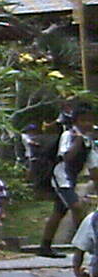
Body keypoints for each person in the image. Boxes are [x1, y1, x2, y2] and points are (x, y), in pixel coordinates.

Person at [37, 105, 92, 256]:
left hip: (71, 179)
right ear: (75, 121)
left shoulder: (88, 141)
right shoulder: (69, 135)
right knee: (77, 207)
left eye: (89, 120)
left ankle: (45, 246)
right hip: (61, 176)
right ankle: (84, 244)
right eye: (83, 120)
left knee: (59, 212)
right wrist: (78, 141)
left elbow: (93, 165)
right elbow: (66, 156)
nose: (87, 123)